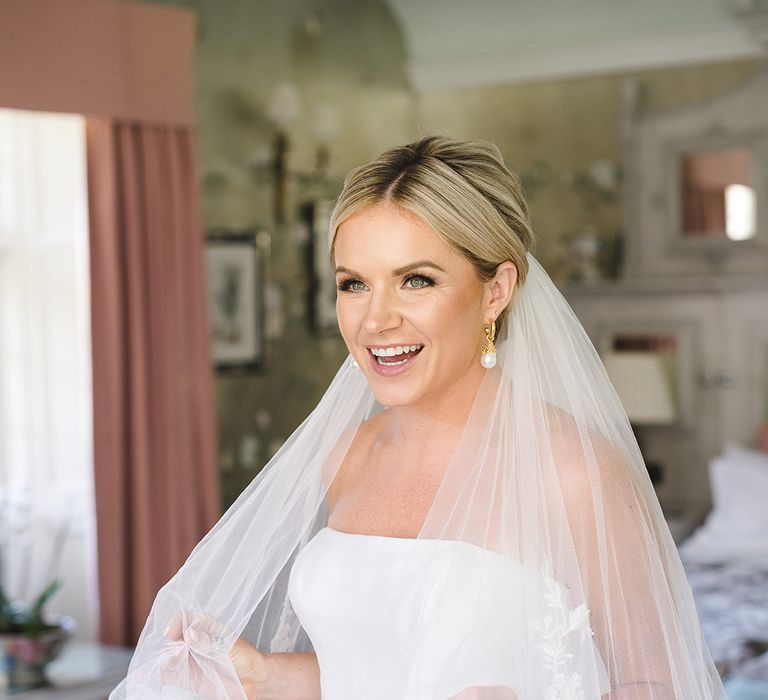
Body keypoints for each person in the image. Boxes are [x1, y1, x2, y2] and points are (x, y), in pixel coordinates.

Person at [111, 136, 726, 699]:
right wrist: (267, 675)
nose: (375, 320)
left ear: (496, 289)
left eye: (416, 280)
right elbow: (370, 673)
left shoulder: (572, 473)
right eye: (354, 284)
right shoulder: (348, 455)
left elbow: (660, 685)